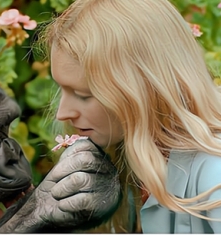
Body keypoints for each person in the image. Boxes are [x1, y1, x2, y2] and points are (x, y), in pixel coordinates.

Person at [40, 0, 221, 233]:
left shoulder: (214, 175)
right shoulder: (133, 163)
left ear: (145, 89)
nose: (63, 113)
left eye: (84, 95)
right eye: (62, 89)